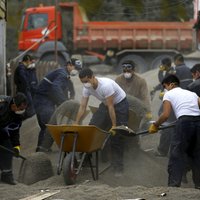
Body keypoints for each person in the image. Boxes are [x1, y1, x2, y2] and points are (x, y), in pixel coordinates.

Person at [148, 74, 200, 189]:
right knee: (196, 154)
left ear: (171, 84)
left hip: (184, 123)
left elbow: (165, 115)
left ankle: (174, 185)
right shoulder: (192, 94)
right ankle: (198, 185)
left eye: (165, 86)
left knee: (177, 154)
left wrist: (155, 125)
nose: (165, 89)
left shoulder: (169, 94)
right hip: (198, 122)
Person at [75, 68, 129, 177]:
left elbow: (111, 107)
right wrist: (76, 122)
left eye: (86, 81)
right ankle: (85, 159)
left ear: (92, 77)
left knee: (117, 136)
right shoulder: (87, 88)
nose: (85, 84)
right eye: (83, 82)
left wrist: (114, 126)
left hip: (120, 104)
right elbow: (82, 106)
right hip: (105, 104)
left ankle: (118, 168)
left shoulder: (106, 85)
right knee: (92, 128)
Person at [33, 58, 82, 152]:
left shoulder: (64, 74)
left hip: (46, 100)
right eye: (75, 68)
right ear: (69, 65)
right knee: (50, 125)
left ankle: (41, 148)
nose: (76, 71)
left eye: (78, 70)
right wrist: (64, 103)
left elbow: (68, 86)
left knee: (46, 126)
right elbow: (55, 88)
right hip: (43, 101)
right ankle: (42, 150)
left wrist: (71, 94)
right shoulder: (62, 74)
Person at [115, 60, 152, 129]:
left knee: (141, 124)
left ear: (134, 70)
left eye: (129, 69)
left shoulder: (141, 80)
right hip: (122, 105)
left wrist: (148, 111)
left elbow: (145, 97)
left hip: (137, 106)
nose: (126, 71)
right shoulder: (118, 80)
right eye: (124, 70)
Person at [0, 93, 27, 185]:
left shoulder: (17, 116)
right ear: (14, 105)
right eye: (21, 109)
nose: (22, 111)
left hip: (1, 130)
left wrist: (16, 147)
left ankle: (6, 175)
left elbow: (14, 131)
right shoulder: (2, 104)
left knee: (7, 148)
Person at [14, 54, 38, 119]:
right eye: (30, 62)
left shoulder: (23, 68)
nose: (31, 63)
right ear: (27, 60)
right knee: (29, 106)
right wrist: (27, 87)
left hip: (24, 90)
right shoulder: (21, 68)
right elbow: (24, 80)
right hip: (23, 91)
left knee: (27, 107)